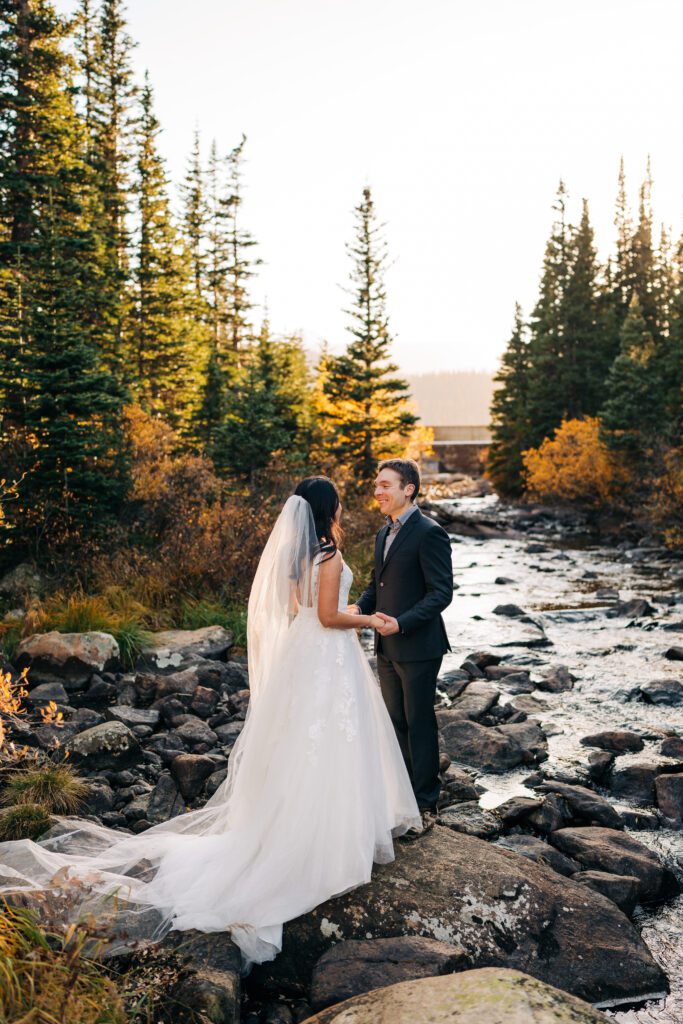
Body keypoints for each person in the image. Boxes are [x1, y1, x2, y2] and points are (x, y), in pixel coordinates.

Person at [0, 477, 422, 974]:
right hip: (328, 656)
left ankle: (293, 827)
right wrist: (367, 619)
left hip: (304, 657)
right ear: (328, 508)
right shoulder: (328, 556)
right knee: (333, 744)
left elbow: (297, 610)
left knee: (303, 746)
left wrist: (336, 611)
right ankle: (327, 840)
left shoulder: (298, 557)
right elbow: (327, 617)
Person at [348, 459, 453, 837]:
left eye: (385, 485)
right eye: (376, 485)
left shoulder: (430, 533)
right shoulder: (383, 533)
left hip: (420, 645)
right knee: (395, 723)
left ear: (408, 489)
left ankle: (426, 805)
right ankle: (403, 799)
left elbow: (441, 594)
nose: (377, 491)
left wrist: (403, 622)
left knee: (419, 722)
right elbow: (377, 585)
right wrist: (360, 607)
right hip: (385, 645)